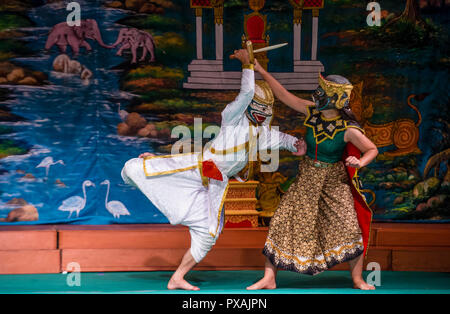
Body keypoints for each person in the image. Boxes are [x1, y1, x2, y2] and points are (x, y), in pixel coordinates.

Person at [121, 49, 306, 290]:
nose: (263, 115)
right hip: (198, 168)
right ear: (250, 107)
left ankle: (177, 277)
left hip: (216, 182)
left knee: (208, 234)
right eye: (259, 110)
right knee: (137, 168)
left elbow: (280, 138)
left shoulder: (261, 134)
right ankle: (142, 169)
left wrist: (295, 144)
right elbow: (247, 91)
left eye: (266, 112)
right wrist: (247, 66)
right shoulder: (231, 117)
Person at [247, 59, 378, 290]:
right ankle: (269, 278)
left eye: (322, 91)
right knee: (280, 222)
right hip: (306, 180)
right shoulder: (312, 112)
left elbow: (372, 149)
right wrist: (260, 70)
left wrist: (360, 161)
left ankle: (358, 279)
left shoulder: (348, 130)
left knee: (350, 226)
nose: (317, 94)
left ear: (335, 99)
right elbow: (284, 96)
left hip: (334, 183)